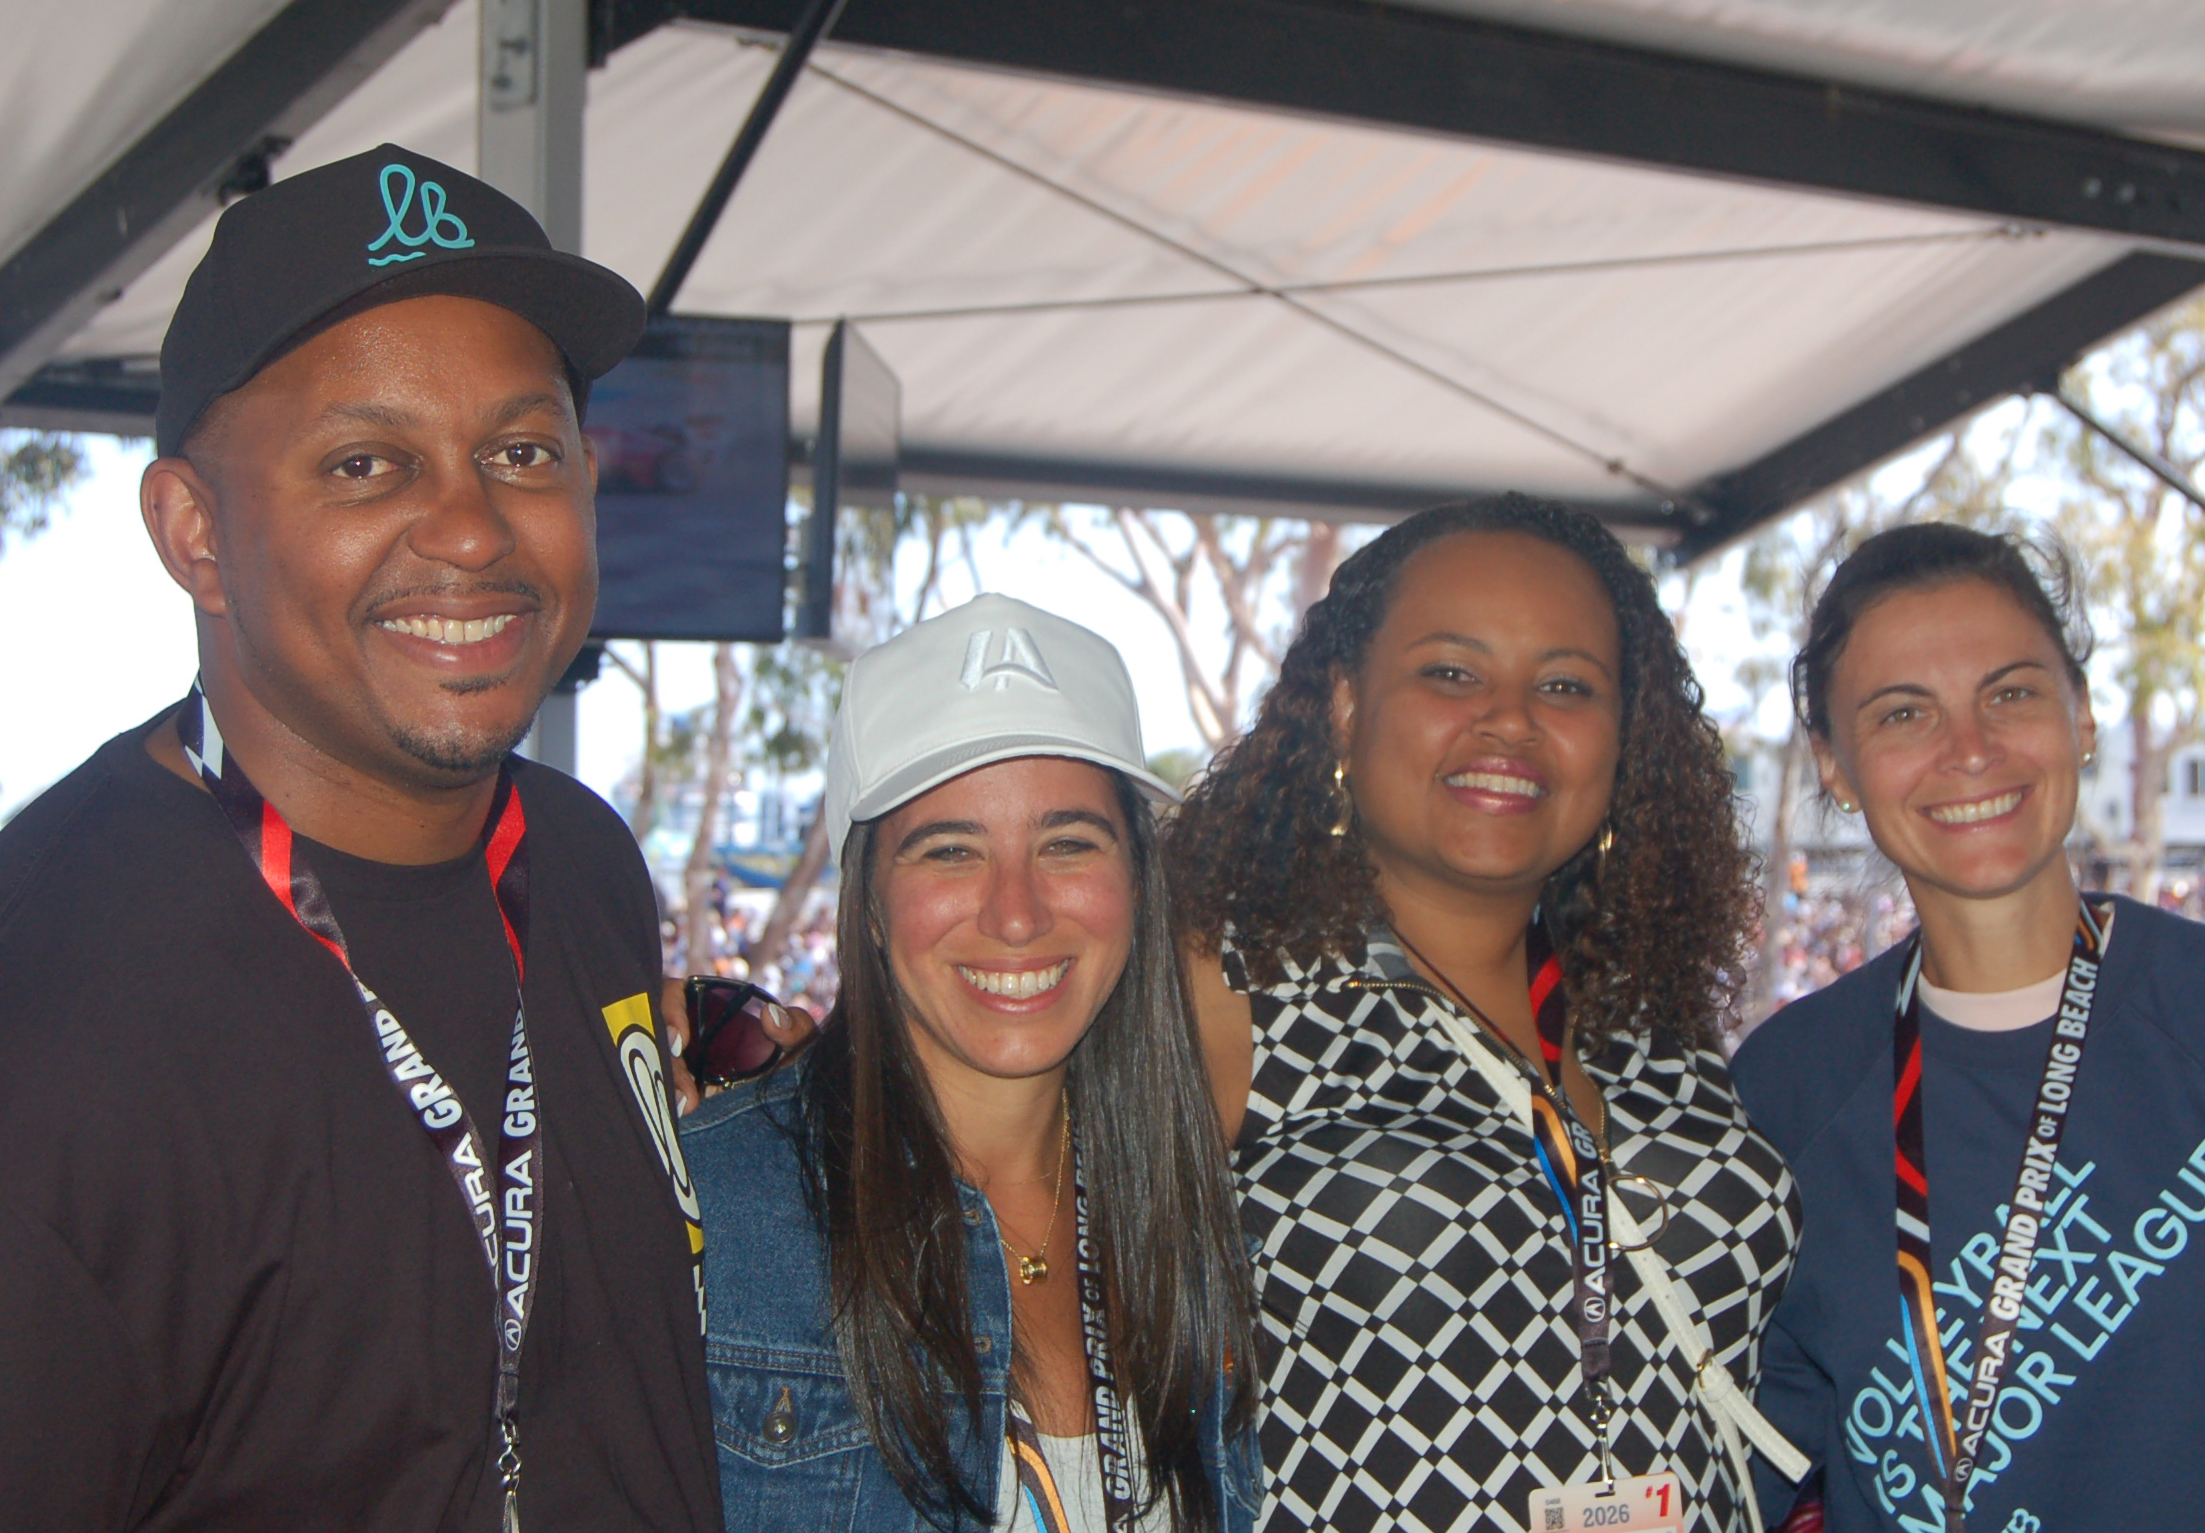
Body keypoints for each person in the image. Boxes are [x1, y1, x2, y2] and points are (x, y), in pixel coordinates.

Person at [0, 146, 723, 1529]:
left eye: (521, 452)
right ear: (194, 531)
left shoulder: (577, 862)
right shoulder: (58, 1008)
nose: (467, 527)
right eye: (366, 462)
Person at [1166, 496, 1804, 1533]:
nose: (1511, 719)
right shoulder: (1228, 987)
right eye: (1451, 672)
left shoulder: (1651, 1021)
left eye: (1566, 685)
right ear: (1343, 703)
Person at [681, 594, 1261, 1532]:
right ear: (867, 901)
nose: (1018, 912)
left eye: (1067, 842)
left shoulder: (1190, 1207)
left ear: (1136, 880)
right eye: (950, 851)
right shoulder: (710, 1207)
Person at [1733, 523, 2205, 1532]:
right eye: (1905, 713)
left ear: (2081, 714)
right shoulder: (1785, 1087)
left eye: (2012, 692)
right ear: (1835, 765)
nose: (1972, 749)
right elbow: (1747, 1457)